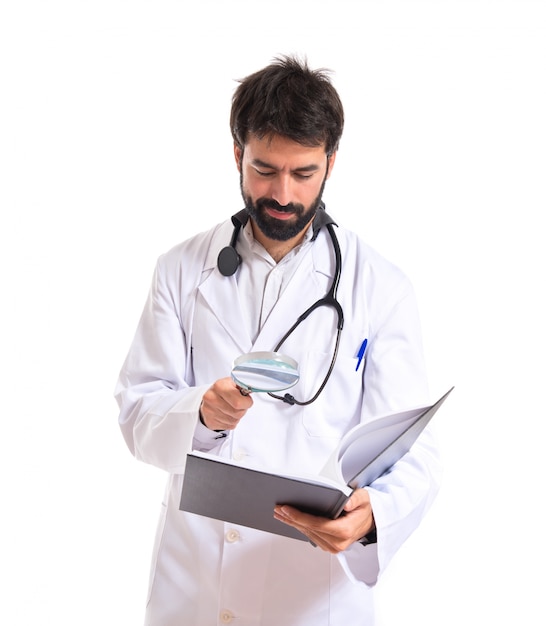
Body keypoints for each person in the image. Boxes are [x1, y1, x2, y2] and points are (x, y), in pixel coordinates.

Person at [115, 55, 441, 626]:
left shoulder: (381, 288)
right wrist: (202, 413)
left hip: (312, 594)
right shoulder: (179, 270)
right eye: (265, 170)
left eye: (303, 172)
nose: (283, 194)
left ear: (331, 164)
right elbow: (137, 414)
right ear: (237, 154)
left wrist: (373, 516)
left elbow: (412, 454)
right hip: (194, 586)